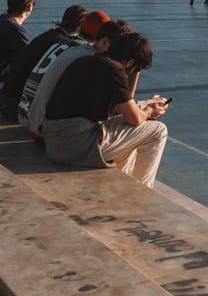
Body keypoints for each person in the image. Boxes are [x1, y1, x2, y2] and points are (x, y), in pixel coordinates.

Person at [41, 32, 169, 188]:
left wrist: (147, 104)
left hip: (54, 142)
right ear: (129, 63)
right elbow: (134, 118)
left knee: (129, 131)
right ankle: (142, 190)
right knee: (157, 130)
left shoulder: (88, 61)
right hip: (75, 146)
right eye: (137, 68)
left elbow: (122, 107)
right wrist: (150, 110)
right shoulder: (114, 69)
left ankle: (124, 183)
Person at [20, 15, 130, 136]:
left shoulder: (74, 49)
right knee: (138, 128)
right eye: (117, 49)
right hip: (48, 133)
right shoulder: (93, 61)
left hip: (33, 121)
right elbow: (119, 110)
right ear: (104, 42)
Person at [0, 5, 88, 122]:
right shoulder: (62, 46)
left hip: (6, 100)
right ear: (81, 26)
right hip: (16, 107)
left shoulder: (50, 37)